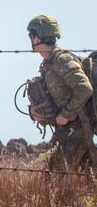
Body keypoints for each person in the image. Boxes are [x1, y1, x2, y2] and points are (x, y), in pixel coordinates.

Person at [27, 14, 95, 173]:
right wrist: (35, 112)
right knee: (84, 180)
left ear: (38, 37)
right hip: (68, 129)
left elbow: (84, 88)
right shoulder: (48, 64)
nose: (31, 39)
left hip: (78, 128)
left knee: (54, 178)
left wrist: (66, 115)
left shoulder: (61, 60)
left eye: (32, 35)